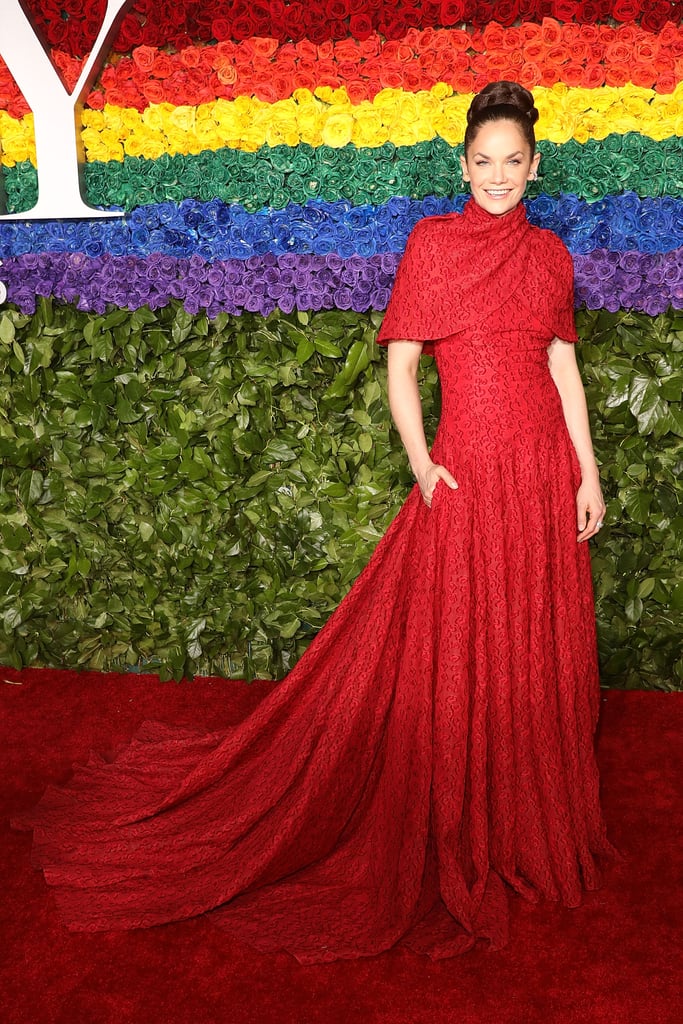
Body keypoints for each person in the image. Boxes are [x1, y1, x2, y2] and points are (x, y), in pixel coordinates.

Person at [14, 81, 620, 963]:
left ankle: (522, 816)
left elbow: (563, 372)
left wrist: (587, 474)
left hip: (540, 476)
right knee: (455, 650)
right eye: (482, 162)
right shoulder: (434, 245)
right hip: (466, 473)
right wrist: (421, 464)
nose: (496, 176)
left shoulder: (549, 256)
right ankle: (464, 814)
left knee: (528, 646)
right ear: (462, 165)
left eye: (512, 162)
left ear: (535, 166)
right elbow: (403, 368)